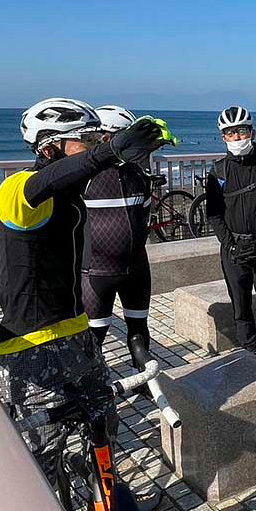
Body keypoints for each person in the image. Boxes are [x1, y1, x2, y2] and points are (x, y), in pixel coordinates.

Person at [0, 98, 171, 483]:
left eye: (95, 138)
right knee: (40, 461)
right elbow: (51, 180)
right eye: (85, 139)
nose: (92, 145)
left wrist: (127, 153)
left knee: (104, 422)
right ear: (48, 147)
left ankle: (99, 491)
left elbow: (80, 177)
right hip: (31, 347)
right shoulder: (16, 191)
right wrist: (108, 149)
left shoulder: (71, 196)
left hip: (77, 333)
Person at [205, 106, 256, 368]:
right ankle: (250, 354)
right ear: (223, 138)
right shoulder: (217, 172)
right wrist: (229, 245)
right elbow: (214, 214)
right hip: (233, 251)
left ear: (252, 132)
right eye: (230, 133)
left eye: (241, 131)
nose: (236, 137)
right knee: (240, 308)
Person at [82, 105, 155, 367]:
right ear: (106, 138)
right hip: (95, 272)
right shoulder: (86, 177)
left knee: (139, 332)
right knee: (95, 337)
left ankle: (142, 380)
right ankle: (91, 393)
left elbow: (145, 214)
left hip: (136, 268)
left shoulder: (137, 171)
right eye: (126, 137)